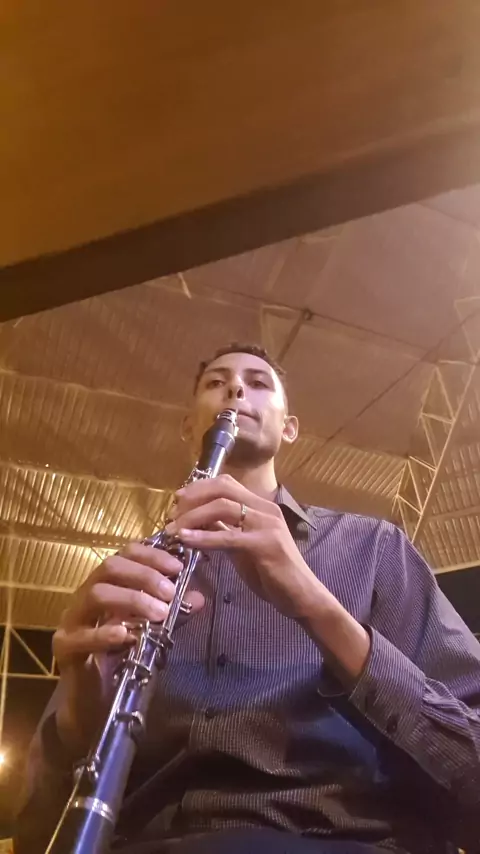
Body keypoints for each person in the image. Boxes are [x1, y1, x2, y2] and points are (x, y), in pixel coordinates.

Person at [15, 343, 480, 854]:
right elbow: (38, 833)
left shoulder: (374, 547)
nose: (236, 388)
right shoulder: (134, 577)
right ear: (189, 427)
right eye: (216, 382)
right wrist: (82, 714)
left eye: (258, 383)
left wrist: (318, 606)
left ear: (289, 427)